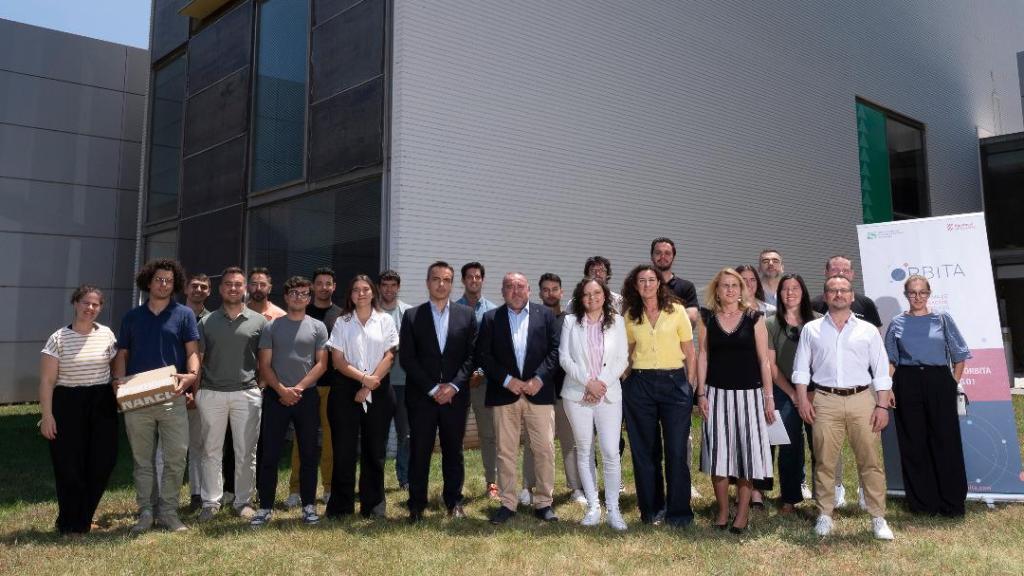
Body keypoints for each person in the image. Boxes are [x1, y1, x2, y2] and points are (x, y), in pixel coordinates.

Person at [793, 275, 895, 540]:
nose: (838, 294)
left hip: (863, 399)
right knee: (825, 461)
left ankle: (878, 517)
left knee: (870, 461)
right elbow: (801, 369)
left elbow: (882, 371)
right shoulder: (811, 329)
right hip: (825, 401)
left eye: (843, 291)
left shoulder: (868, 330)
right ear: (825, 297)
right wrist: (803, 399)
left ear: (852, 296)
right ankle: (825, 515)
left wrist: (882, 406)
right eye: (832, 291)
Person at [112, 259, 199, 534]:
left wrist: (192, 376)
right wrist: (118, 382)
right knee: (142, 459)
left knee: (176, 456)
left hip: (172, 395)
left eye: (169, 281)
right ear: (148, 282)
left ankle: (169, 512)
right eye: (159, 279)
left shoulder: (184, 314)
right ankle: (146, 512)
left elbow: (192, 352)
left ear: (175, 285)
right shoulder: (132, 317)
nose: (164, 284)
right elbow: (122, 354)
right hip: (138, 396)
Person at [478, 272, 561, 524]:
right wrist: (507, 380)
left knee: (544, 449)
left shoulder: (545, 315)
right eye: (509, 287)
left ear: (529, 291)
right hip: (505, 395)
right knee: (505, 451)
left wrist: (539, 379)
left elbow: (556, 351)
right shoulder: (491, 318)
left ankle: (544, 502)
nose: (515, 291)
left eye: (520, 286)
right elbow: (483, 355)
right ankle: (507, 503)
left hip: (540, 393)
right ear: (502, 292)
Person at [885, 275, 971, 516]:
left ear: (929, 293)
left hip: (939, 381)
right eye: (913, 293)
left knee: (946, 442)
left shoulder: (942, 320)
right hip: (907, 382)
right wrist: (889, 387)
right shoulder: (897, 323)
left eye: (922, 292)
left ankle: (952, 503)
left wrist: (951, 383)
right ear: (906, 295)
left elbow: (959, 354)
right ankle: (923, 504)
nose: (918, 297)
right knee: (913, 443)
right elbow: (892, 359)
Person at [697, 268, 775, 534]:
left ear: (742, 289)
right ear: (716, 290)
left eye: (734, 285)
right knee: (718, 455)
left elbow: (764, 361)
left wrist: (768, 397)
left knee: (746, 456)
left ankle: (742, 514)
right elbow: (703, 357)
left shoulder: (755, 318)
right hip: (716, 394)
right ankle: (722, 511)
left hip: (750, 395)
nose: (729, 290)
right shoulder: (707, 319)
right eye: (724, 286)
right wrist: (701, 393)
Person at [399, 262, 477, 522]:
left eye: (446, 279)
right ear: (427, 282)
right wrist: (433, 388)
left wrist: (453, 385)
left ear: (452, 283)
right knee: (420, 450)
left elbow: (471, 357)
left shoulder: (466, 315)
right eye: (436, 279)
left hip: (455, 397)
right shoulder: (412, 316)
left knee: (453, 450)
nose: (441, 284)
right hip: (422, 396)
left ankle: (454, 502)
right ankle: (416, 504)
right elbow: (408, 359)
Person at [621, 264, 697, 527]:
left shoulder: (676, 310)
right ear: (635, 285)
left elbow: (689, 350)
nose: (646, 284)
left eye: (651, 279)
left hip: (674, 383)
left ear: (659, 283)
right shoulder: (630, 315)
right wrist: (622, 377)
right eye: (641, 280)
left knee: (676, 450)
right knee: (645, 451)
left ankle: (679, 513)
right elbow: (628, 352)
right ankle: (651, 510)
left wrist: (690, 385)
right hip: (640, 385)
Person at [39, 285, 119, 535]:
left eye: (96, 304)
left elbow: (117, 369)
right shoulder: (58, 338)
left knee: (102, 462)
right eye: (86, 303)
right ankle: (68, 522)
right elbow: (47, 381)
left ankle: (84, 518)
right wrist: (47, 416)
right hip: (68, 402)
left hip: (101, 401)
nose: (90, 308)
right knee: (69, 465)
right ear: (75, 303)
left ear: (101, 308)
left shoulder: (107, 335)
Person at [253, 276, 328, 526]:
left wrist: (297, 388)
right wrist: (282, 390)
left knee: (308, 454)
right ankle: (264, 507)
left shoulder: (318, 327)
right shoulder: (271, 327)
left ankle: (308, 505)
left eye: (304, 293)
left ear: (309, 297)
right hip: (276, 396)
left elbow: (322, 364)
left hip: (306, 396)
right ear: (285, 297)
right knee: (270, 455)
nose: (299, 297)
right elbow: (264, 365)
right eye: (294, 293)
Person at [195, 267, 267, 522]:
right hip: (212, 393)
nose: (233, 288)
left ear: (245, 288)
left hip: (246, 394)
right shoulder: (206, 322)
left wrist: (259, 388)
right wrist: (196, 392)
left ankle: (243, 500)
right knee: (210, 450)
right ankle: (210, 502)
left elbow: (265, 362)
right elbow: (199, 360)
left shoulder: (260, 322)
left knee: (246, 451)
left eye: (238, 284)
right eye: (228, 284)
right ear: (220, 288)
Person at [325, 274, 399, 518]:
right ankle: (341, 508)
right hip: (346, 391)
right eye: (356, 289)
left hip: (378, 390)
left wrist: (369, 385)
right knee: (344, 451)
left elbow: (389, 356)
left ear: (373, 292)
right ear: (350, 295)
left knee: (374, 452)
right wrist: (362, 380)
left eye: (366, 289)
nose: (361, 293)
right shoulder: (342, 322)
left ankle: (374, 506)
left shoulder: (385, 320)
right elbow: (337, 360)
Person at [558, 278, 630, 530]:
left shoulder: (617, 322)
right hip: (577, 394)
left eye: (597, 292)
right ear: (580, 297)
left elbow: (622, 359)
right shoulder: (570, 322)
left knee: (610, 451)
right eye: (587, 294)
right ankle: (593, 507)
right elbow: (564, 358)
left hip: (608, 394)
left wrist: (600, 384)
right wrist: (588, 383)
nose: (592, 298)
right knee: (585, 450)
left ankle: (614, 509)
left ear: (604, 295)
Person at [809, 255, 879, 508]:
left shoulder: (866, 304)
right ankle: (836, 488)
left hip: (862, 385)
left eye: (845, 270)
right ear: (825, 272)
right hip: (827, 389)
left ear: (853, 275)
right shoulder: (815, 304)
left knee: (866, 444)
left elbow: (875, 344)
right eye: (834, 269)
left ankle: (865, 490)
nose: (839, 273)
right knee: (829, 446)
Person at [284, 267, 341, 509]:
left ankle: (329, 488)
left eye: (329, 283)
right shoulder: (302, 313)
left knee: (330, 440)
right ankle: (295, 490)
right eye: (320, 283)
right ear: (312, 288)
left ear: (334, 287)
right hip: (304, 388)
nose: (324, 287)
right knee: (301, 439)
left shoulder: (341, 315)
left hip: (331, 386)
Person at [765, 274, 820, 514]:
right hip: (784, 390)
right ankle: (789, 497)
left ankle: (823, 499)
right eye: (785, 288)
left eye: (795, 288)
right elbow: (770, 364)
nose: (790, 292)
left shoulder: (818, 321)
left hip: (816, 392)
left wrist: (811, 393)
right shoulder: (769, 323)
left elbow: (825, 360)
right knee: (788, 445)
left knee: (820, 445)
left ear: (803, 292)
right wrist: (793, 393)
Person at [650, 237, 700, 501]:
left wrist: (659, 311)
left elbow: (692, 317)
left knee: (682, 434)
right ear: (652, 256)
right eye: (658, 253)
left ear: (673, 256)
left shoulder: (685, 286)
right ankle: (655, 486)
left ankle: (684, 482)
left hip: (679, 366)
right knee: (652, 436)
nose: (662, 257)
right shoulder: (643, 282)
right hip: (648, 369)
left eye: (667, 253)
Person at [536, 272, 587, 506]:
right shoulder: (534, 319)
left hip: (567, 391)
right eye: (545, 290)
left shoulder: (571, 320)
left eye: (554, 289)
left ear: (561, 292)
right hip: (540, 391)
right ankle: (531, 487)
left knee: (571, 442)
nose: (550, 293)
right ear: (539, 293)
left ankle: (576, 488)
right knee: (538, 444)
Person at [455, 262, 500, 499]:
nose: (474, 280)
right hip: (458, 382)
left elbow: (494, 349)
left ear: (482, 280)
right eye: (470, 277)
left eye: (478, 277)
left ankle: (492, 482)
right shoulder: (452, 309)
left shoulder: (493, 311)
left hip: (483, 381)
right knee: (456, 434)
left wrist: (481, 372)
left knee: (488, 434)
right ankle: (456, 484)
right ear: (463, 281)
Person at [380, 269, 414, 490]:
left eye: (393, 285)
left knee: (405, 433)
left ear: (398, 287)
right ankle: (376, 479)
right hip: (378, 382)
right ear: (379, 287)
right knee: (378, 433)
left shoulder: (409, 312)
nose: (389, 289)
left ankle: (405, 478)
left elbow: (413, 344)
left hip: (404, 382)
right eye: (385, 285)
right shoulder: (371, 311)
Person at [183, 273, 211, 510]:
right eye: (194, 286)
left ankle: (197, 493)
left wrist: (196, 390)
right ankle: (162, 496)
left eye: (203, 287)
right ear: (185, 289)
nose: (198, 290)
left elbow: (207, 359)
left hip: (200, 390)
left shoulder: (212, 321)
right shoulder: (173, 316)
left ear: (209, 292)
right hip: (172, 389)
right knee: (166, 449)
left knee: (198, 445)